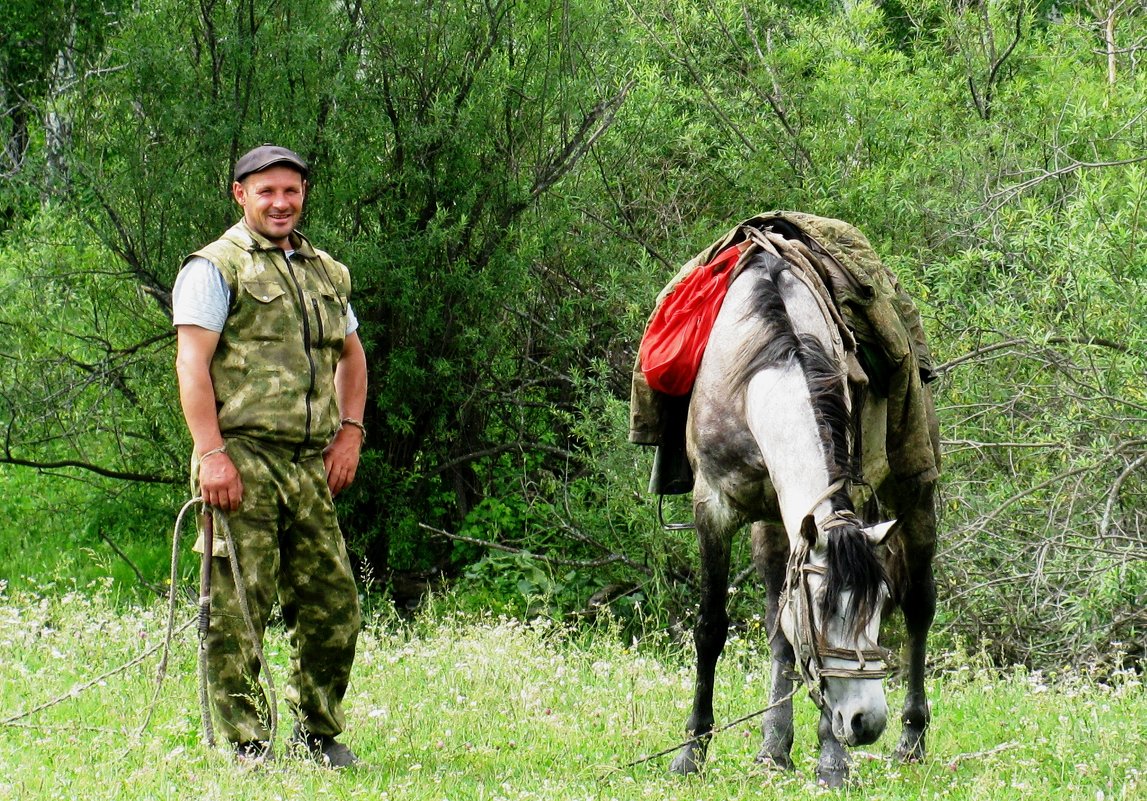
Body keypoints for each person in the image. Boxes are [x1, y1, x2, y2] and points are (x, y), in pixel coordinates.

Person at [173, 144, 367, 767]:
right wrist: (211, 455)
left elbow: (352, 356)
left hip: (309, 462)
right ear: (240, 195)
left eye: (291, 191)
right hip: (242, 457)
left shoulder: (324, 270)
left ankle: (320, 735)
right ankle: (246, 745)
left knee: (334, 605)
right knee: (238, 610)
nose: (280, 203)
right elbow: (192, 364)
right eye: (266, 192)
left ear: (304, 193)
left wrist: (350, 432)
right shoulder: (213, 267)